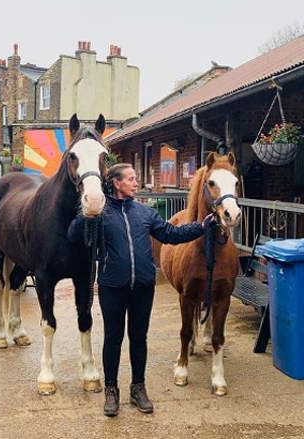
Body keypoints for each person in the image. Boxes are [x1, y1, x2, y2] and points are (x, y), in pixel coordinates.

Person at [67, 163, 214, 417]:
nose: (137, 183)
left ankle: (138, 388)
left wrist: (201, 227)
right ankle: (111, 391)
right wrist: (85, 215)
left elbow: (171, 234)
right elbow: (73, 236)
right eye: (132, 179)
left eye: (136, 179)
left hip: (143, 287)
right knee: (113, 339)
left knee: (139, 338)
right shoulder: (100, 213)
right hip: (113, 286)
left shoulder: (145, 213)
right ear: (116, 183)